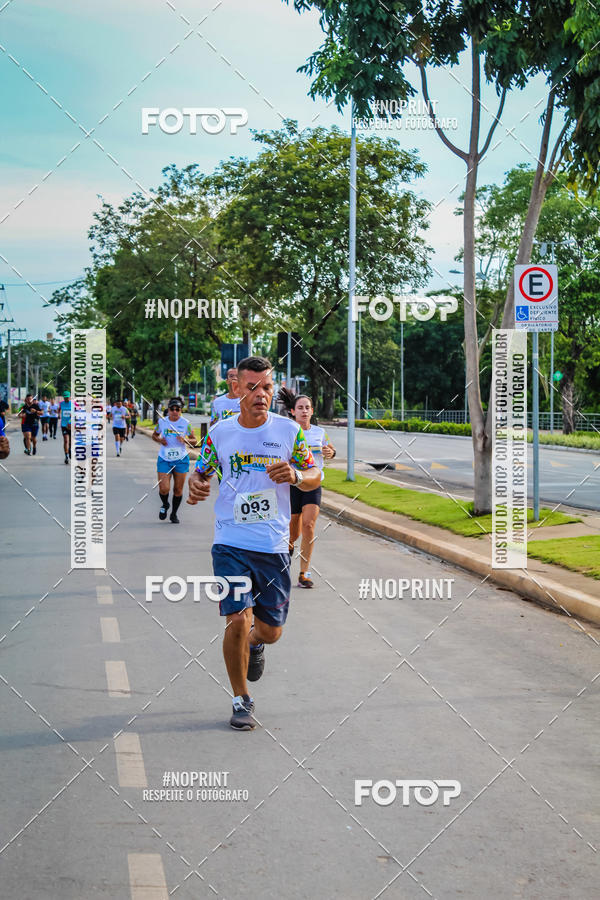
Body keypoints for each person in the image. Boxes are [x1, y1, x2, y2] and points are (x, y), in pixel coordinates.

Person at [188, 356, 321, 731]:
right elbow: (202, 474)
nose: (261, 395)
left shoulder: (289, 432)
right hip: (229, 540)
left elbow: (314, 475)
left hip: (273, 543)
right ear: (237, 390)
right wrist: (197, 487)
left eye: (266, 387)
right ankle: (241, 697)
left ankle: (257, 643)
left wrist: (296, 474)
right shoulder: (220, 434)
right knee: (236, 619)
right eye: (252, 387)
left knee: (271, 631)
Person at [278, 388, 336, 588]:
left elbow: (330, 449)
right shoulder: (287, 431)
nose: (304, 411)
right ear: (292, 411)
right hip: (293, 484)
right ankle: (286, 554)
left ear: (312, 411)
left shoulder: (320, 432)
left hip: (313, 484)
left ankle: (304, 572)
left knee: (309, 526)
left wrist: (330, 452)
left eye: (307, 408)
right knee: (293, 532)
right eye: (300, 408)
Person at [152, 397, 198, 523]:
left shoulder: (186, 423)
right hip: (164, 458)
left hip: (181, 459)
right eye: (172, 409)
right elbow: (154, 435)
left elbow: (195, 440)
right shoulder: (162, 422)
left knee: (178, 489)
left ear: (180, 410)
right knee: (164, 488)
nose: (174, 411)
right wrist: (160, 440)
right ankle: (165, 504)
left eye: (177, 409)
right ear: (168, 410)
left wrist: (186, 440)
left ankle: (174, 514)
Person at [60, 391, 72, 464]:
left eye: (67, 397)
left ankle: (70, 450)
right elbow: (58, 410)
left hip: (71, 425)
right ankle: (66, 456)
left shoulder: (73, 404)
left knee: (71, 442)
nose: (66, 398)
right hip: (64, 425)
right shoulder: (61, 404)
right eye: (65, 397)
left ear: (69, 397)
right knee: (66, 440)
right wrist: (58, 414)